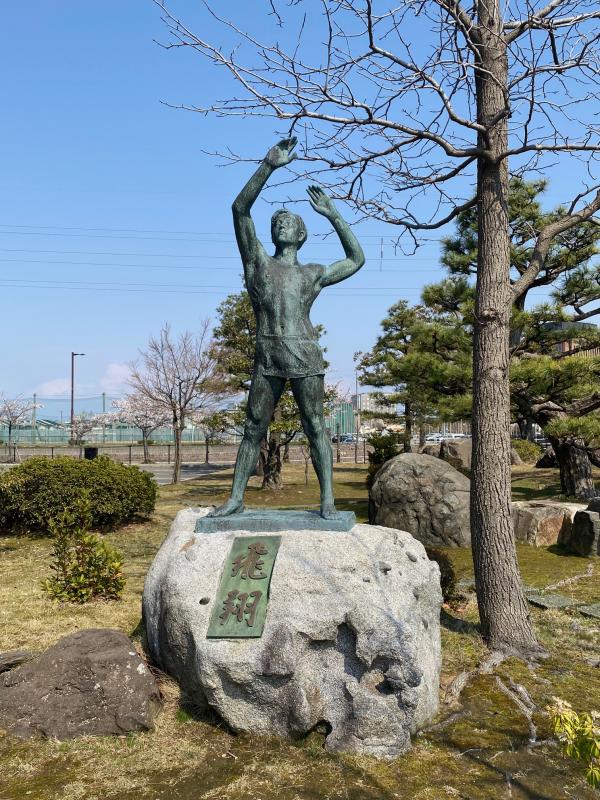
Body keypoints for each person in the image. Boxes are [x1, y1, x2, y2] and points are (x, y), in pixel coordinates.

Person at [209, 137, 365, 519]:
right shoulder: (257, 263)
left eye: (289, 222)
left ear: (300, 235)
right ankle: (236, 498)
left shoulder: (312, 273)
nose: (282, 224)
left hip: (304, 352)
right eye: (277, 222)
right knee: (253, 426)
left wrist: (333, 214)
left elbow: (356, 259)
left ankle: (327, 499)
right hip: (268, 353)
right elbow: (240, 209)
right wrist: (268, 165)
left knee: (315, 425)